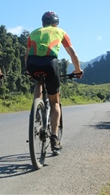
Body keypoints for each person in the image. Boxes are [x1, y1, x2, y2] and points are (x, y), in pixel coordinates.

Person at [25, 11, 83, 153]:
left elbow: (27, 54)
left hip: (32, 63)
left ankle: (37, 107)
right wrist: (77, 69)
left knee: (38, 82)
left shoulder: (33, 33)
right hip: (50, 64)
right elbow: (72, 53)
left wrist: (28, 69)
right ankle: (54, 137)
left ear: (43, 23)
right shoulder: (61, 31)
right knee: (54, 102)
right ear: (56, 23)